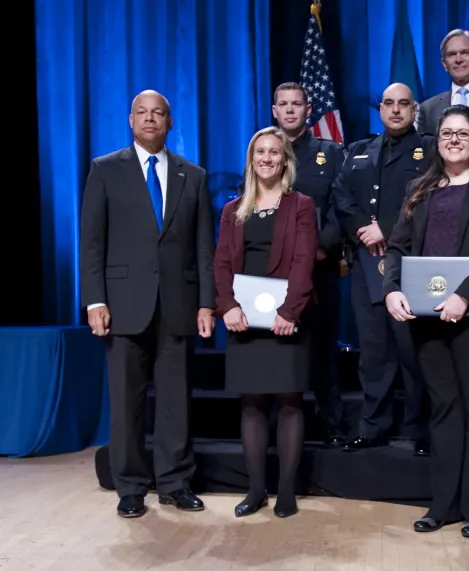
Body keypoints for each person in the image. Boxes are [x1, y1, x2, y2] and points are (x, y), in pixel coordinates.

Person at [79, 90, 215, 518]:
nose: (150, 119)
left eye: (159, 113)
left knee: (176, 400)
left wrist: (206, 303)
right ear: (130, 120)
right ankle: (131, 487)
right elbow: (92, 242)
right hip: (122, 305)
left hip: (178, 303)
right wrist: (94, 300)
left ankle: (175, 482)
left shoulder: (192, 175)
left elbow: (203, 249)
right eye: (143, 113)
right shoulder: (105, 170)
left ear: (171, 122)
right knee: (126, 401)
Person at [384, 105, 469, 538]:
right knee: (442, 411)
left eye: (463, 133)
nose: (454, 140)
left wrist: (465, 297)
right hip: (427, 318)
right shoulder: (419, 187)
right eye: (446, 133)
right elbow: (397, 246)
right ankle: (443, 504)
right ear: (436, 140)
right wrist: (393, 288)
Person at [213, 126, 318, 518]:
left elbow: (304, 260)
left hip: (285, 317)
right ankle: (256, 489)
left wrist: (289, 311)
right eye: (261, 152)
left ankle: (287, 492)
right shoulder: (232, 209)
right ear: (251, 159)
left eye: (275, 152)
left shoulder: (301, 205)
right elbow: (221, 262)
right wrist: (227, 307)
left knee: (290, 402)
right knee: (252, 404)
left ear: (285, 159)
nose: (267, 158)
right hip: (243, 318)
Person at [332, 83, 432, 454]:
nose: (395, 110)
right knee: (374, 351)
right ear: (380, 109)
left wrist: (386, 230)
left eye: (403, 104)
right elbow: (341, 195)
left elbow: (431, 199)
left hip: (411, 263)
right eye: (388, 104)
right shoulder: (360, 150)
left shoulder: (430, 151)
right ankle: (374, 425)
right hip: (367, 263)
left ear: (414, 109)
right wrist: (364, 229)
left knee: (413, 351)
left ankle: (422, 429)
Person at [271, 81, 347, 446]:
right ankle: (280, 428)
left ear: (307, 109)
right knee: (280, 349)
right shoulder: (264, 152)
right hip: (276, 273)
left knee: (323, 349)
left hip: (319, 268)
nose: (289, 110)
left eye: (296, 104)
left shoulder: (328, 153)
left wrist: (320, 247)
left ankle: (331, 424)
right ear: (275, 111)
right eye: (283, 104)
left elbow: (339, 206)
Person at [416, 29, 469, 136]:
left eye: (465, 52)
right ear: (444, 64)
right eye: (451, 54)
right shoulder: (428, 109)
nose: (458, 59)